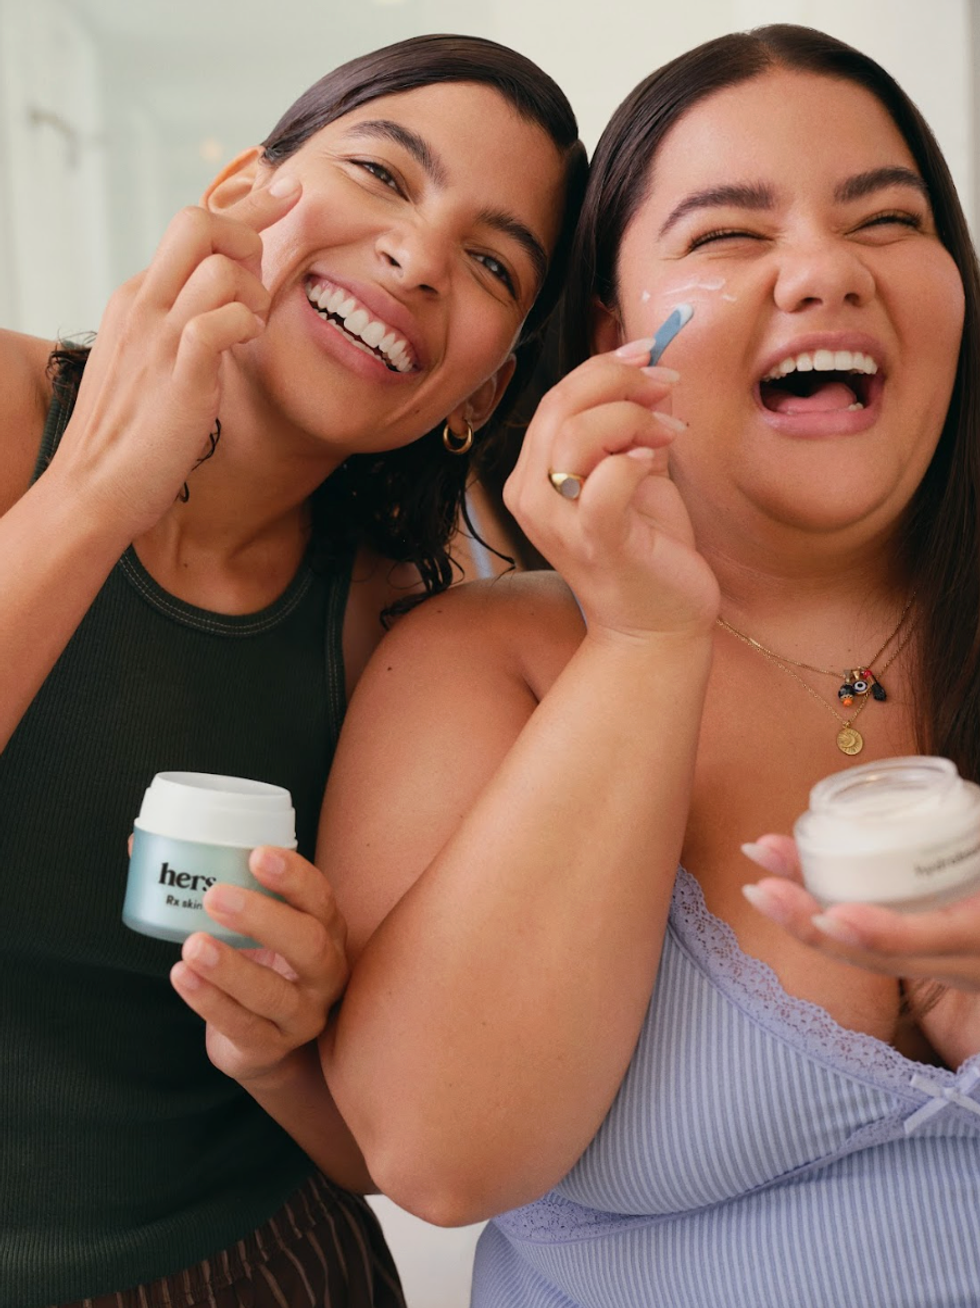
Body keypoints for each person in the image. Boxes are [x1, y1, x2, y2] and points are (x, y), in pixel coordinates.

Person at [206, 22, 980, 1307]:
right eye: (730, 234)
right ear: (618, 335)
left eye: (886, 220)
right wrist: (642, 635)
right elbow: (439, 1155)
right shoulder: (479, 657)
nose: (822, 272)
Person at [0, 32, 587, 1308]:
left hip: (264, 1269)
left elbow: (380, 1151)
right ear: (234, 197)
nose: (419, 258)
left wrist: (279, 1045)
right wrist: (100, 487)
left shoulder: (405, 636)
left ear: (481, 385)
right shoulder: (7, 414)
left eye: (491, 261)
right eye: (382, 173)